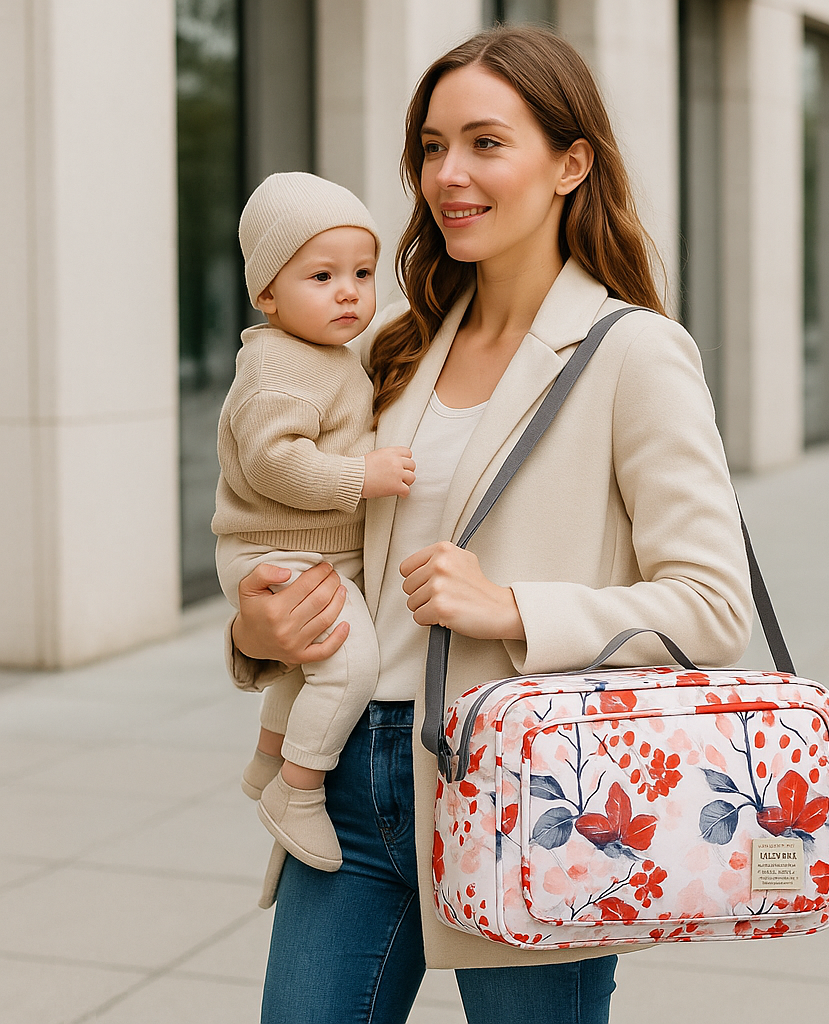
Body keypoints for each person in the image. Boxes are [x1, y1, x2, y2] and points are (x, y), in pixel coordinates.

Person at [227, 26, 753, 1024]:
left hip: (527, 791)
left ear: (570, 162)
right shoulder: (390, 344)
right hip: (350, 780)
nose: (448, 175)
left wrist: (508, 605)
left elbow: (711, 604)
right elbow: (304, 527)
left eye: (484, 143)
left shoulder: (633, 353)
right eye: (431, 146)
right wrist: (257, 634)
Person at [213, 171, 416, 873]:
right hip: (276, 550)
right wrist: (363, 476)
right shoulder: (277, 368)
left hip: (306, 549)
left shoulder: (323, 354)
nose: (349, 292)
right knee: (347, 663)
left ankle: (269, 760)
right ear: (267, 293)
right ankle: (297, 791)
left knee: (307, 667)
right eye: (321, 275)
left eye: (362, 272)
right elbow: (273, 462)